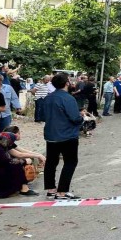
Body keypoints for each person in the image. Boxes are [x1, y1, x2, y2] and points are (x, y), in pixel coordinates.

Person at [42, 72, 85, 200]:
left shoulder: (48, 97)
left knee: (51, 162)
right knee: (70, 162)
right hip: (67, 134)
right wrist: (82, 117)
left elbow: (42, 115)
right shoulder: (68, 98)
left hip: (51, 134)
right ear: (67, 83)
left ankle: (51, 189)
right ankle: (62, 191)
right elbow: (74, 118)